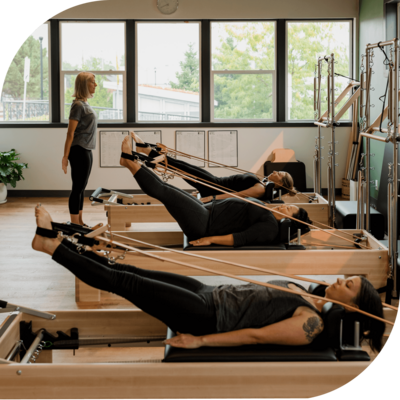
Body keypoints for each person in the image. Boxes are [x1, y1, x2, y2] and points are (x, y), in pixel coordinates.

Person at [32, 205, 385, 352]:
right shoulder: (312, 295)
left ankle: (50, 246)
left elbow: (255, 334)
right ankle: (64, 243)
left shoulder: (311, 324)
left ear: (350, 304)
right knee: (129, 270)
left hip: (206, 316)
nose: (341, 279)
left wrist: (199, 343)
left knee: (124, 284)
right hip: (209, 293)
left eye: (348, 284)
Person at [120, 136, 310, 247]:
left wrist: (209, 240)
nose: (283, 207)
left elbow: (240, 238)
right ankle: (142, 154)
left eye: (287, 210)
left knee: (165, 190)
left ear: (287, 221)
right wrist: (210, 202)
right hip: (208, 212)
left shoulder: (269, 227)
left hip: (205, 223)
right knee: (170, 186)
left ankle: (129, 161)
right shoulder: (268, 211)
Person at [130, 132, 296, 203]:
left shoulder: (260, 189)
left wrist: (210, 198)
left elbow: (236, 196)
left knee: (180, 169)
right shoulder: (262, 183)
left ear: (281, 183)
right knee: (183, 166)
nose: (275, 171)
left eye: (279, 174)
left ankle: (145, 154)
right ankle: (145, 150)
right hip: (213, 181)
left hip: (212, 188)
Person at [62, 72, 98, 227]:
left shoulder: (84, 104)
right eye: (92, 82)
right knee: (77, 188)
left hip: (86, 149)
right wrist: (65, 156)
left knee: (81, 188)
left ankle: (80, 221)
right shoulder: (77, 105)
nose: (95, 84)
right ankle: (74, 224)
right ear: (84, 84)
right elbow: (70, 132)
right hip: (78, 150)